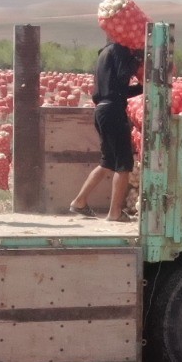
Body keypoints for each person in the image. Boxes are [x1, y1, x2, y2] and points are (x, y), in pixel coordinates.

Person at [69, 35, 143, 222]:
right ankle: (115, 213)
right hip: (113, 110)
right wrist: (138, 60)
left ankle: (79, 201)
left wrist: (142, 87)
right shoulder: (119, 50)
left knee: (107, 162)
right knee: (124, 164)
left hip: (102, 109)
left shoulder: (105, 53)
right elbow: (124, 75)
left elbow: (119, 87)